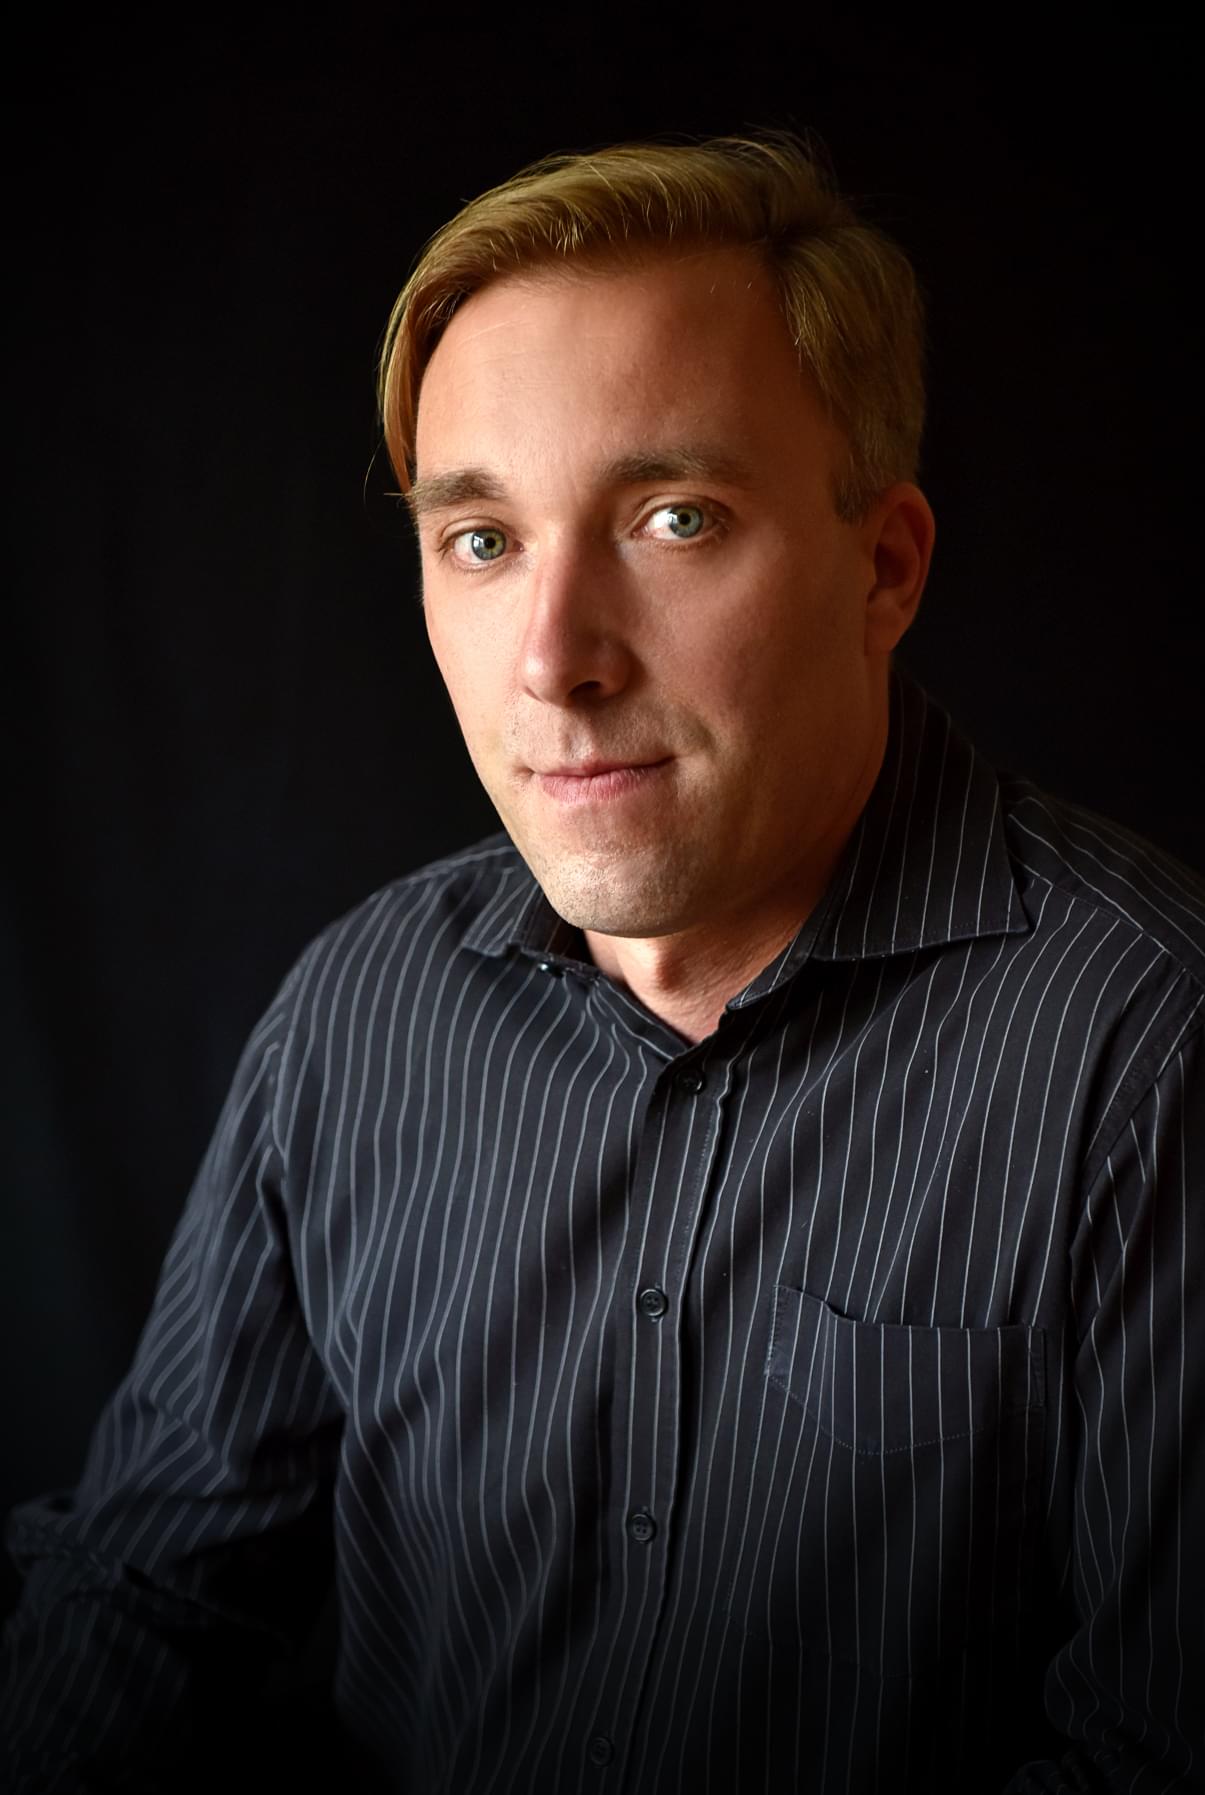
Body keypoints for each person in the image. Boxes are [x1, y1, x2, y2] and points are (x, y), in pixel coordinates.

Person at [2, 132, 1201, 1795]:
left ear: (884, 565)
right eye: (482, 539)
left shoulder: (1147, 1047)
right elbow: (147, 1591)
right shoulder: (363, 1013)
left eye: (671, 518)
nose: (553, 660)